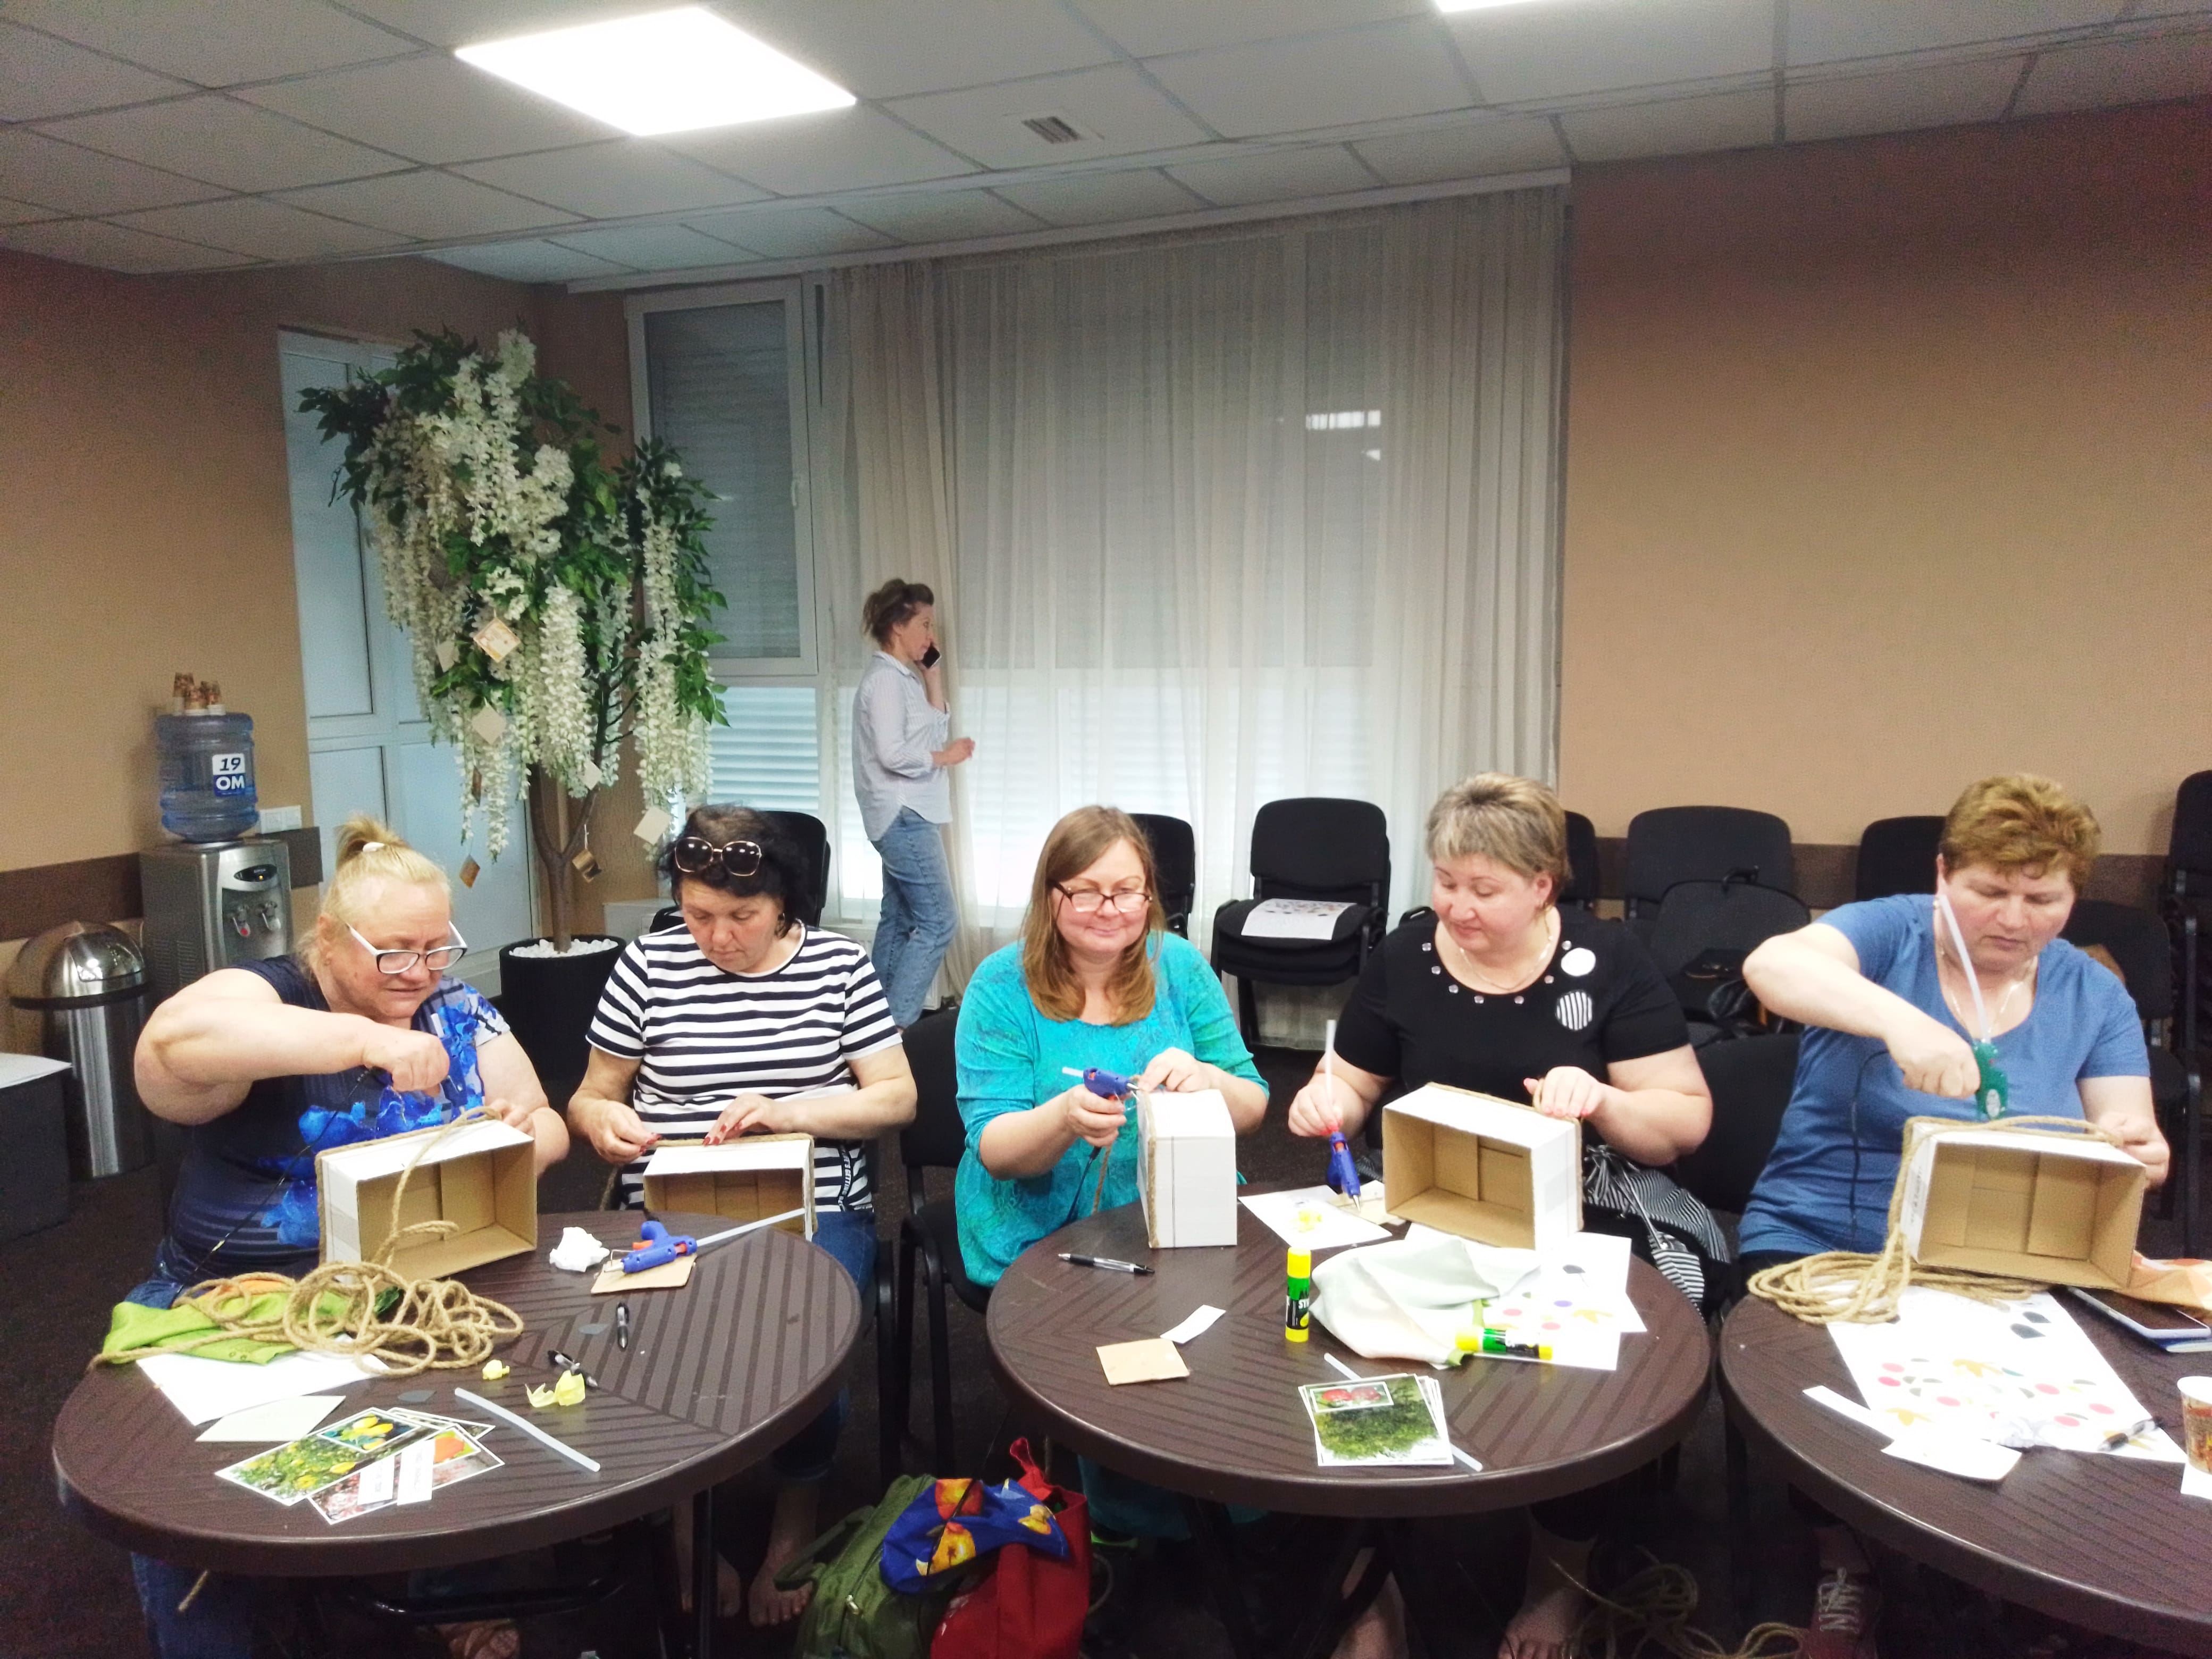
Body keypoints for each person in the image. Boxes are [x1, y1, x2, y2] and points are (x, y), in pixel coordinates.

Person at [1284, 774, 1723, 1659]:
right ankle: (1375, 1582)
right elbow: (1358, 1081)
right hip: (1429, 1181)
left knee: (1610, 1343)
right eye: (1446, 883)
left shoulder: (1607, 961)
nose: (1458, 907)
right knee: (1324, 1314)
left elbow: (1682, 1121)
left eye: (1483, 890)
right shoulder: (1407, 957)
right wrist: (1328, 1100)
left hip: (1587, 1185)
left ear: (1540, 887)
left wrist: (1600, 1096)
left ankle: (1557, 1578)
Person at [1738, 774, 2163, 1659]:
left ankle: (2015, 1565)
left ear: (2073, 894)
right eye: (1989, 891)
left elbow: (2128, 1124)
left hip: (2002, 1255)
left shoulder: (2093, 994)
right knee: (1840, 1405)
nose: (2013, 917)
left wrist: (2134, 1148)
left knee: (2054, 1411)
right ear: (1944, 875)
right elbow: (1772, 966)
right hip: (1826, 1236)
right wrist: (1901, 1024)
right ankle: (1845, 1558)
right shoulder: (1889, 931)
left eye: (2042, 897)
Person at [131, 815, 567, 1659]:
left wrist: (517, 1132)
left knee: (493, 1413)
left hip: (411, 1294)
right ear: (331, 936)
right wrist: (367, 1040)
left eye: (439, 949)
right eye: (396, 951)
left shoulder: (450, 1004)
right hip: (246, 1307)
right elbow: (171, 1046)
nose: (422, 972)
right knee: (188, 1501)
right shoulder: (268, 995)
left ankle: (455, 1596)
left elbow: (545, 1124)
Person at [568, 805, 916, 1627]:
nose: (717, 937)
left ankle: (793, 1520)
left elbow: (896, 1098)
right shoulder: (648, 965)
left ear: (785, 903)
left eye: (741, 917)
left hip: (810, 1196)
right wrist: (600, 1124)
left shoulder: (836, 965)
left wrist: (792, 1110)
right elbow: (592, 1093)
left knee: (807, 1342)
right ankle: (689, 1516)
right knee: (653, 1344)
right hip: (667, 1197)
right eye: (697, 915)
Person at [953, 805, 1268, 1558]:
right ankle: (1135, 1523)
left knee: (1243, 1333)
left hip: (1173, 1205)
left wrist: (1206, 1079)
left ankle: (1236, 1494)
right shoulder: (1001, 983)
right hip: (1039, 1225)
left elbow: (1254, 1106)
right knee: (1124, 1352)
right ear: (1050, 896)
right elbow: (996, 1147)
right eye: (1086, 891)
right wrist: (1063, 1118)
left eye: (1128, 891)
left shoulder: (1179, 965)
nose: (1110, 910)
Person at [853, 577, 973, 1027]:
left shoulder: (903, 679)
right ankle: (895, 1029)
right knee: (939, 920)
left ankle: (869, 1024)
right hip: (903, 814)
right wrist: (946, 757)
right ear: (898, 626)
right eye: (924, 624)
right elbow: (892, 753)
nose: (930, 634)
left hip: (911, 812)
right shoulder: (884, 680)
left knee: (900, 918)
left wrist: (933, 672)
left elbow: (934, 728)